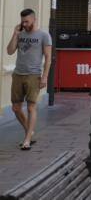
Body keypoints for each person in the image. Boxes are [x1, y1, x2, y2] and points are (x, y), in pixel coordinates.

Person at [5, 8, 52, 150]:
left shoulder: (44, 35)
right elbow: (10, 51)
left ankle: (27, 140)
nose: (24, 24)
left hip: (34, 75)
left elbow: (48, 58)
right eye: (22, 21)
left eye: (27, 21)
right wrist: (15, 34)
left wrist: (45, 77)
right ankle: (30, 132)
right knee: (16, 108)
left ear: (34, 20)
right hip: (18, 74)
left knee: (31, 107)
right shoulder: (20, 33)